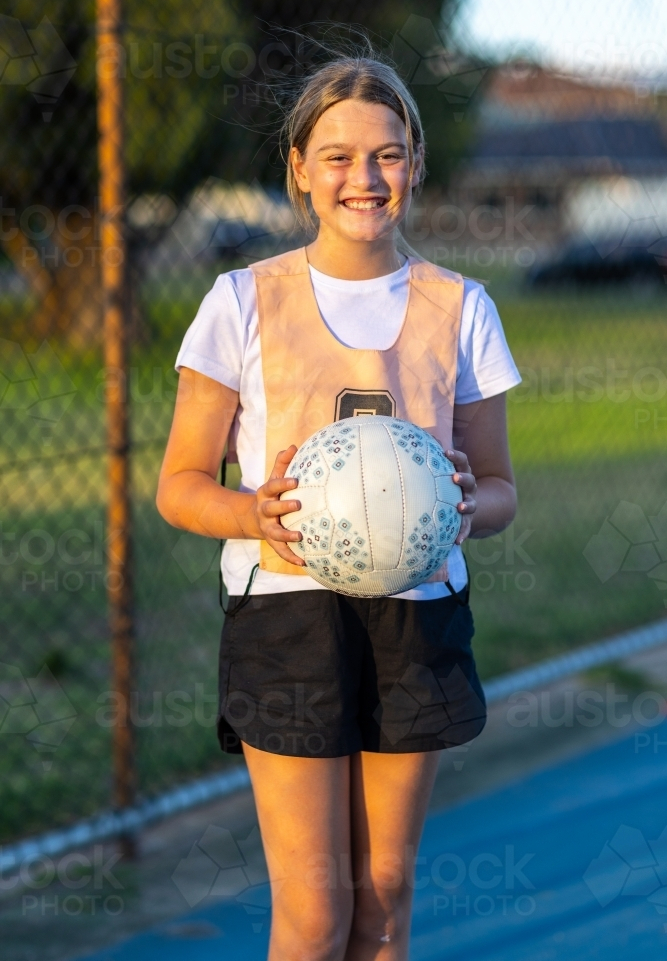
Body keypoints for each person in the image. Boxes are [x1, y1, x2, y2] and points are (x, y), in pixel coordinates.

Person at [156, 48, 521, 961]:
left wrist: (465, 507)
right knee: (315, 915)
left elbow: (502, 491)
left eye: (388, 154)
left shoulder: (460, 306)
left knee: (383, 903)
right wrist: (253, 514)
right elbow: (179, 485)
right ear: (299, 171)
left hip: (417, 617)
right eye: (338, 156)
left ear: (416, 163)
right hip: (288, 620)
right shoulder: (240, 300)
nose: (365, 177)